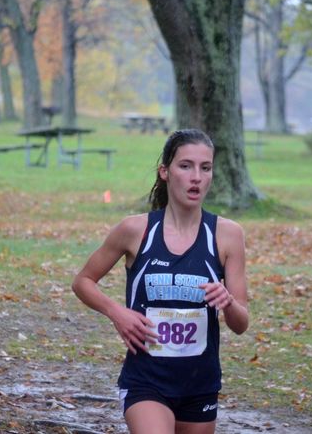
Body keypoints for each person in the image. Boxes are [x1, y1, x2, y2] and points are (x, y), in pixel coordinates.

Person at [72, 129, 249, 434]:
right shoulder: (135, 230)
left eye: (205, 168)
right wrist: (118, 313)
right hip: (146, 381)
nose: (196, 177)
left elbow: (241, 323)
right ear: (165, 172)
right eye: (185, 166)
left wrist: (229, 302)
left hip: (200, 384)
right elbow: (83, 281)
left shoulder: (227, 234)